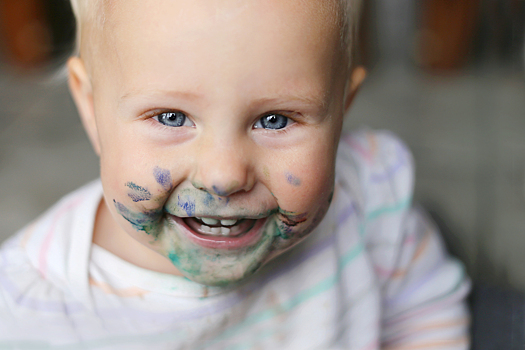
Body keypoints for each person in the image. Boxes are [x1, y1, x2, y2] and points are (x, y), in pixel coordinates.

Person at [0, 0, 470, 348]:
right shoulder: (30, 306)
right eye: (170, 117)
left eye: (275, 120)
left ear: (341, 110)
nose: (224, 176)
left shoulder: (371, 194)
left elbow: (423, 309)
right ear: (90, 107)